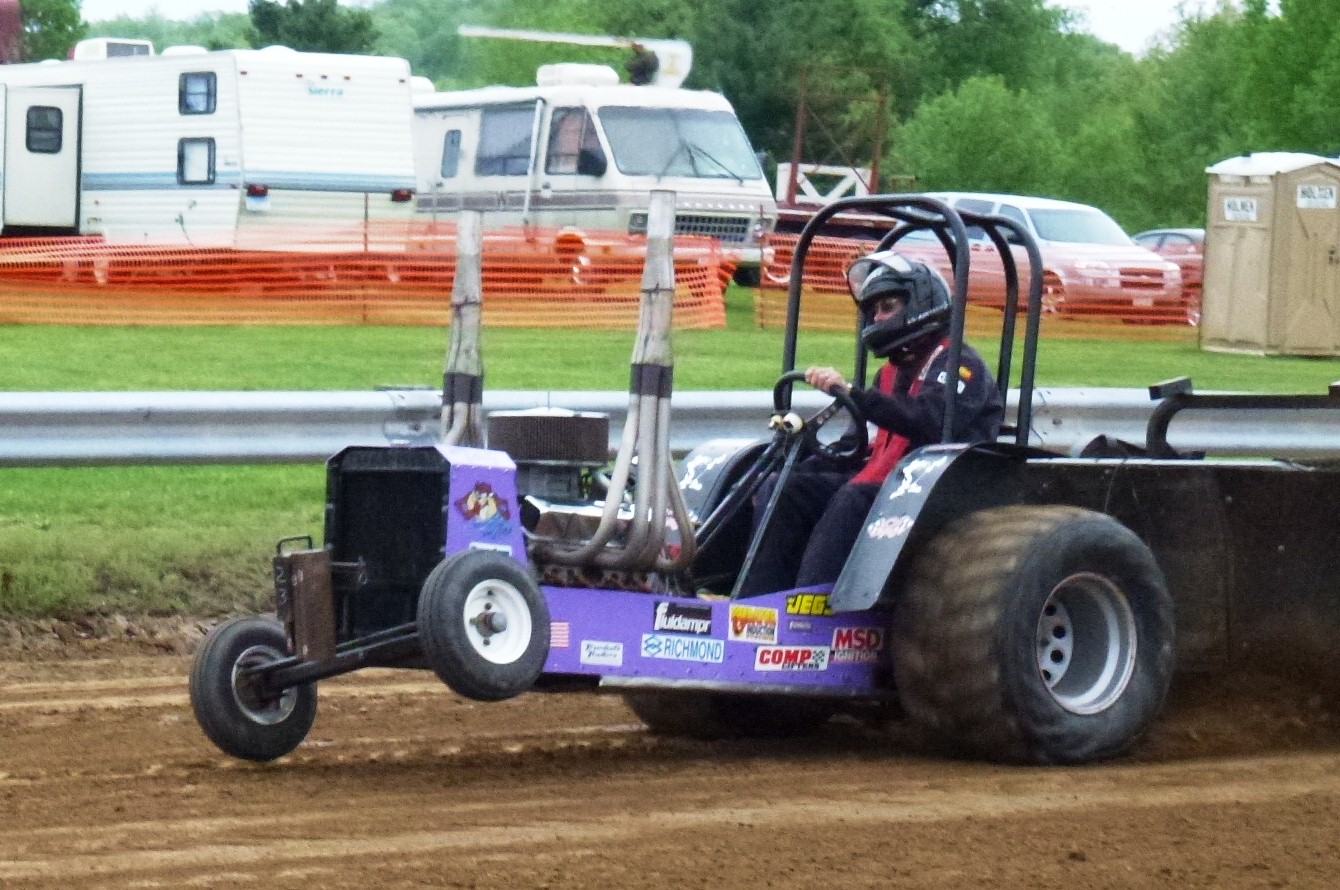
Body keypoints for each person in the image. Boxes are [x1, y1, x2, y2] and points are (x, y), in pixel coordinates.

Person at [740, 250, 1004, 594]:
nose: (878, 318)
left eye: (888, 306)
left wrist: (852, 392)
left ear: (920, 302)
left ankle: (812, 609)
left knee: (851, 498)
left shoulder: (960, 365)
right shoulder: (888, 374)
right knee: (783, 486)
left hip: (938, 489)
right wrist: (809, 452)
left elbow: (927, 420)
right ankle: (753, 601)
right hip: (884, 481)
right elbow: (858, 445)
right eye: (873, 310)